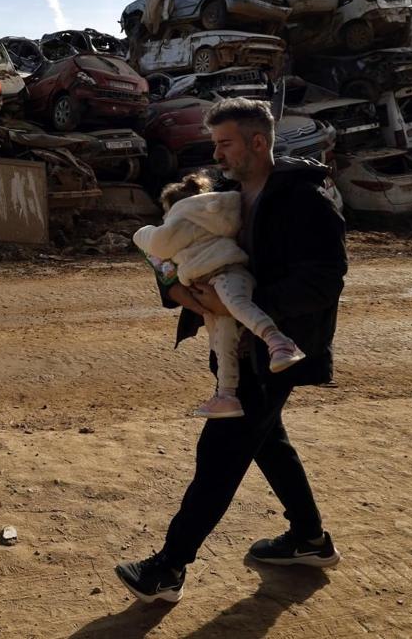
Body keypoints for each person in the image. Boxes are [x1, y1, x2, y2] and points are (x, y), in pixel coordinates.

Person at [116, 97, 347, 604]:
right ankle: (308, 539)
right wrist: (177, 292)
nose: (216, 155)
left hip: (278, 351)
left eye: (225, 144)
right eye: (215, 144)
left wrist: (239, 302)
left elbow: (324, 282)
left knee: (219, 452)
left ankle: (167, 569)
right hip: (235, 347)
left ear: (258, 142)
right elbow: (171, 251)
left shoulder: (305, 198)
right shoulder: (223, 195)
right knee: (269, 442)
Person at [132, 171, 305, 419]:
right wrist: (176, 290)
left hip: (226, 277)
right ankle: (226, 395)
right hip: (212, 284)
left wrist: (142, 232)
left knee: (236, 306)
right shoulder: (221, 211)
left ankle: (278, 341)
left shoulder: (183, 220)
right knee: (223, 342)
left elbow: (157, 245)